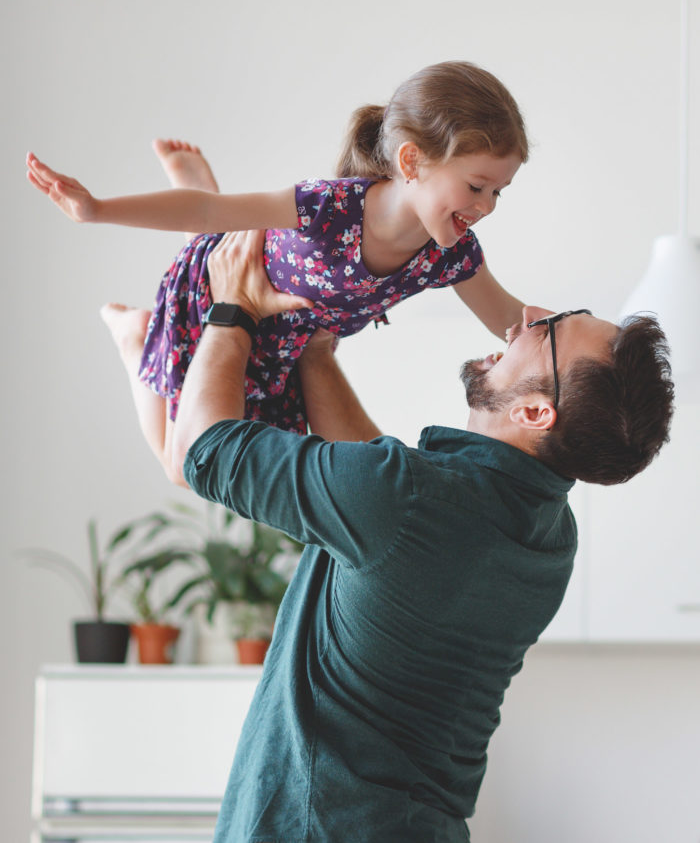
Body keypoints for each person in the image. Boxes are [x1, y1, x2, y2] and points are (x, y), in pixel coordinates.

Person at [169, 228, 673, 842]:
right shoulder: (546, 534)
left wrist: (231, 310)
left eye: (550, 329)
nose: (528, 316)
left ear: (536, 412)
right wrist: (315, 352)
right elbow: (386, 517)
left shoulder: (409, 499)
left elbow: (203, 450)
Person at [26, 61, 528, 484]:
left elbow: (511, 317)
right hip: (216, 300)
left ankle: (206, 212)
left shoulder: (450, 254)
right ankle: (134, 336)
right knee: (183, 468)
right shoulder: (329, 207)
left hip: (281, 349)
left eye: (498, 192)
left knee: (224, 465)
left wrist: (596, 342)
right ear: (412, 160)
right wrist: (95, 208)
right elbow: (203, 211)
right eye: (477, 186)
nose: (487, 207)